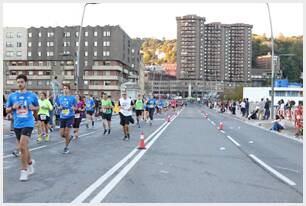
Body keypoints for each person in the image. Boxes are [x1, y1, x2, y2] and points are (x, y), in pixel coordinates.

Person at [6, 74, 39, 181]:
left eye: (22, 82)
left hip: (28, 123)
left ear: (25, 83)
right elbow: (6, 110)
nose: (20, 84)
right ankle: (30, 163)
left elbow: (37, 106)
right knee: (23, 147)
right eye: (18, 82)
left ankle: (23, 171)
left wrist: (33, 108)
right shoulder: (12, 96)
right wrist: (12, 107)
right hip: (17, 124)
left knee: (22, 145)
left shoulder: (32, 95)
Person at [56, 84, 77, 154]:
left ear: (69, 90)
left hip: (70, 116)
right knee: (62, 134)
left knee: (67, 132)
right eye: (64, 88)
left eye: (66, 88)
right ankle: (69, 137)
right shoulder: (60, 98)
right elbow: (58, 106)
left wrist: (72, 108)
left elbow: (76, 107)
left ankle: (66, 147)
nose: (65, 90)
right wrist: (60, 107)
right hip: (62, 117)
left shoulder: (72, 98)